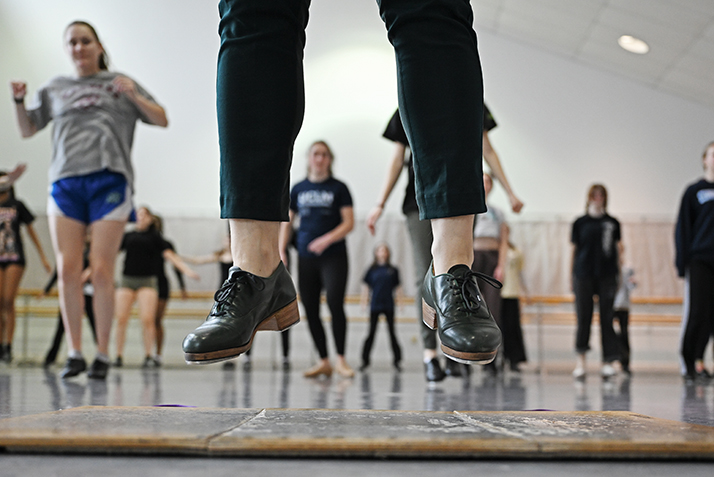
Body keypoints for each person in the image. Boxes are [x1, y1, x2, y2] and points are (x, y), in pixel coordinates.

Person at [182, 0, 502, 374]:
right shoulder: (305, 186)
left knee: (432, 10)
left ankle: (451, 270)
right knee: (253, 13)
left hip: (334, 251)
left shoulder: (339, 188)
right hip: (308, 250)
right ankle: (255, 269)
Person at [11, 20, 168, 379]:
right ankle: (75, 352)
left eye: (85, 41)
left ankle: (101, 353)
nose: (79, 48)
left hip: (109, 181)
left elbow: (161, 119)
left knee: (100, 269)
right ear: (67, 49)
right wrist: (19, 100)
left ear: (98, 46)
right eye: (72, 43)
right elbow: (26, 128)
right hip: (66, 183)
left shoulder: (118, 82)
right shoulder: (56, 87)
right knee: (67, 269)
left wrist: (133, 95)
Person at [367, 104, 522, 382]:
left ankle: (454, 348)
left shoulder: (470, 98)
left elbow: (488, 149)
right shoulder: (409, 100)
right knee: (423, 275)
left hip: (460, 194)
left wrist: (509, 191)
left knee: (459, 269)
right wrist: (380, 202)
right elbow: (397, 159)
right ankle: (430, 354)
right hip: (418, 198)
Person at [280, 141, 355, 379]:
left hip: (334, 256)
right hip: (305, 257)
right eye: (315, 154)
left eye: (324, 155)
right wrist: (281, 249)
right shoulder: (299, 188)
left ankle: (341, 359)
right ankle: (324, 360)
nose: (319, 159)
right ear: (309, 158)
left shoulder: (339, 188)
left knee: (334, 303)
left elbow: (349, 223)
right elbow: (288, 222)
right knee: (310, 308)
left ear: (329, 159)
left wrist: (326, 239)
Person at [114, 206, 198, 367]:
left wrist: (186, 271)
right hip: (127, 280)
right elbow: (113, 254)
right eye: (138, 214)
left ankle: (148, 355)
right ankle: (118, 355)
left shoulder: (155, 238)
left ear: (150, 219)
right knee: (121, 319)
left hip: (147, 281)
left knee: (147, 319)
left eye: (144, 215)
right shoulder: (128, 236)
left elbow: (170, 256)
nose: (141, 217)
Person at [571, 184, 622, 379]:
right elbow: (574, 251)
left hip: (607, 275)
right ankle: (581, 361)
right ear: (589, 197)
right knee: (584, 317)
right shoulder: (580, 223)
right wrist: (571, 276)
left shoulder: (612, 222)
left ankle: (608, 361)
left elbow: (618, 250)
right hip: (583, 275)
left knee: (607, 317)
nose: (598, 198)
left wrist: (620, 276)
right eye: (595, 195)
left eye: (601, 195)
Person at [0, 173, 52, 363]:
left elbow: (31, 232)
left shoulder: (17, 205)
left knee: (8, 300)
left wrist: (43, 257)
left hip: (14, 256)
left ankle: (8, 345)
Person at [675, 141, 714, 382]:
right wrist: (682, 262)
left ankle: (700, 362)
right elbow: (683, 229)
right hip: (700, 260)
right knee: (698, 312)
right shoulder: (694, 191)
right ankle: (688, 362)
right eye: (712, 154)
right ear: (704, 159)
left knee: (711, 316)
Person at [472, 172, 509, 375]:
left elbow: (504, 241)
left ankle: (493, 356)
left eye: (488, 181)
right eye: (482, 180)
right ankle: (466, 357)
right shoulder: (470, 210)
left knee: (493, 309)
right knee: (471, 307)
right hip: (474, 257)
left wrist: (501, 265)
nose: (485, 184)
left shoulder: (497, 212)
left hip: (492, 257)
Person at [41, 234, 96, 367]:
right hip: (72, 293)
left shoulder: (94, 252)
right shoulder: (70, 252)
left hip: (87, 293)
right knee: (62, 326)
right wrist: (46, 289)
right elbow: (59, 271)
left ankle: (102, 353)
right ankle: (51, 357)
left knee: (94, 324)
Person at [151, 214, 188, 366]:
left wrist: (182, 287)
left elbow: (176, 266)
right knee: (148, 320)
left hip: (161, 283)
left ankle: (157, 353)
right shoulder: (137, 240)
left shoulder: (165, 243)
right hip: (145, 282)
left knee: (156, 320)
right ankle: (149, 352)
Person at [359, 243, 402, 372]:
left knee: (392, 333)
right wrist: (363, 302)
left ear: (388, 253)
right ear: (376, 253)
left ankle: (397, 361)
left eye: (384, 251)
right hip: (375, 305)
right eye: (380, 251)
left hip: (388, 304)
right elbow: (366, 287)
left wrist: (401, 303)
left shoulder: (393, 270)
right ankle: (365, 361)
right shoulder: (372, 270)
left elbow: (398, 288)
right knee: (371, 333)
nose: (382, 253)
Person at [500, 241, 529, 372]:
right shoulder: (494, 251)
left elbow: (520, 273)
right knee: (498, 329)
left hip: (512, 293)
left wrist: (526, 292)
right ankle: (497, 359)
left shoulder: (516, 252)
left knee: (512, 328)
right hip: (497, 294)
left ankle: (513, 359)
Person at [613, 252, 636, 375]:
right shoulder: (609, 269)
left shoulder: (627, 269)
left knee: (624, 334)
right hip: (611, 305)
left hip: (623, 306)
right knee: (611, 333)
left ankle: (625, 362)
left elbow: (632, 286)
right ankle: (613, 358)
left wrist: (632, 281)